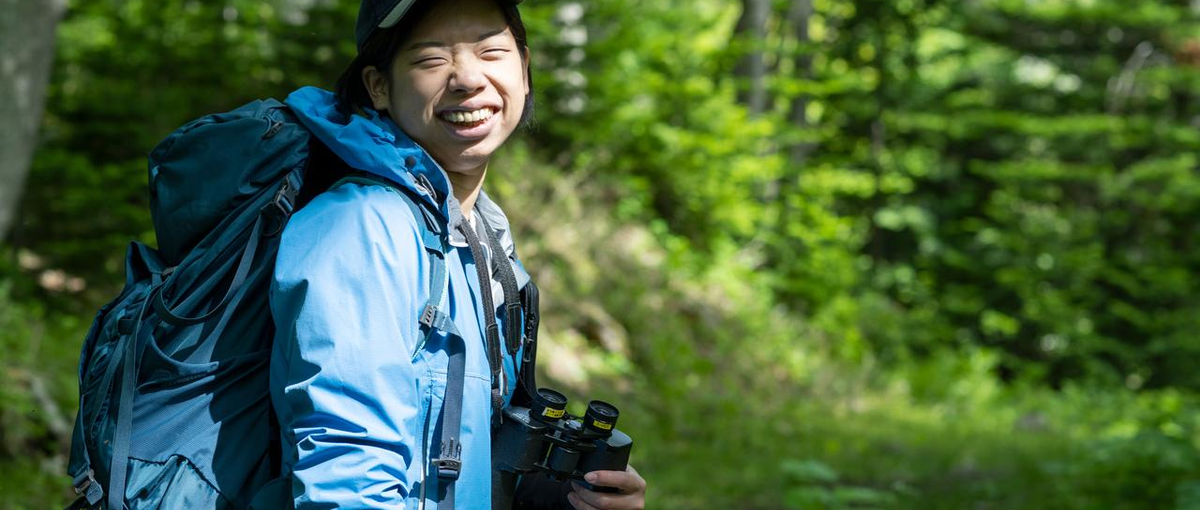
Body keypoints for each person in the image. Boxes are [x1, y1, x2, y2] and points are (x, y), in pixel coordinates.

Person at [268, 0, 647, 508]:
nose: (468, 78)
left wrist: (571, 498)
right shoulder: (361, 227)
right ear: (378, 86)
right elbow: (348, 477)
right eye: (430, 59)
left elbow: (465, 455)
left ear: (525, 70)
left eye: (491, 51)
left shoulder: (481, 236)